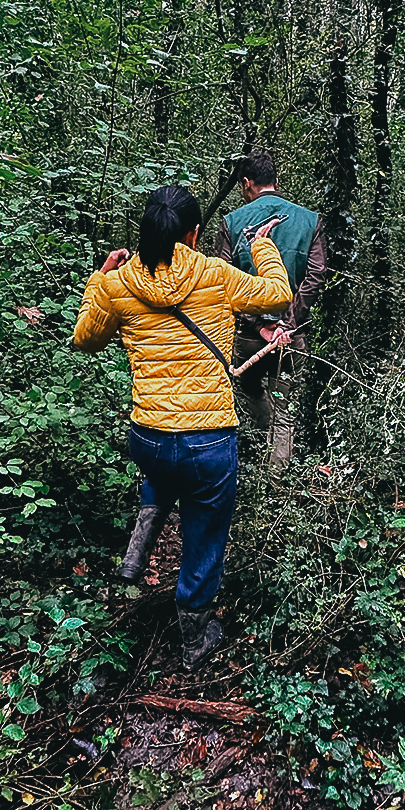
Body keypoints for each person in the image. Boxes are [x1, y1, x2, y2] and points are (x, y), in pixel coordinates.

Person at [71, 184, 290, 670]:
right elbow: (278, 293)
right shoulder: (211, 273)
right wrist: (261, 244)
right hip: (208, 440)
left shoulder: (117, 284)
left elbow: (84, 339)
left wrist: (98, 278)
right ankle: (195, 636)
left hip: (146, 437)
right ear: (192, 233)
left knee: (163, 464)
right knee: (205, 532)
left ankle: (139, 546)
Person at [214, 151, 326, 469]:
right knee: (285, 404)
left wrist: (258, 324)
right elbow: (317, 274)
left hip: (248, 336)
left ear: (248, 183)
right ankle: (278, 481)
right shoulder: (310, 221)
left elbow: (221, 279)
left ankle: (260, 459)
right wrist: (287, 324)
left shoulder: (232, 223)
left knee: (249, 391)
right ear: (276, 181)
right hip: (291, 338)